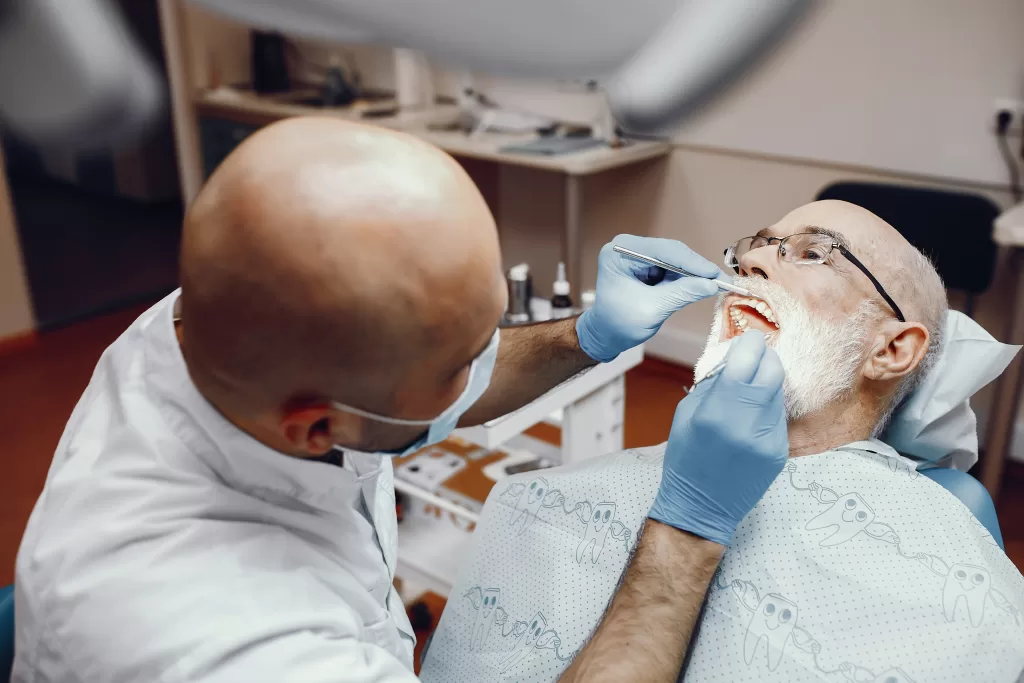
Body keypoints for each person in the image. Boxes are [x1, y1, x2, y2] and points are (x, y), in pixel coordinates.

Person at [11, 117, 788, 682]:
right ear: (319, 426)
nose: (490, 356)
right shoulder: (237, 645)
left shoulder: (218, 316)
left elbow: (405, 381)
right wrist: (688, 531)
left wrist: (583, 335)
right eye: (463, 358)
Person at [421, 200, 1024, 682]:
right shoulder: (536, 503)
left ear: (891, 349)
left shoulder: (954, 596)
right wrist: (587, 334)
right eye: (754, 246)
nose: (751, 264)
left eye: (812, 253)